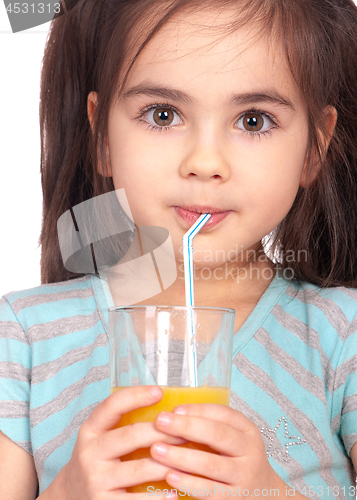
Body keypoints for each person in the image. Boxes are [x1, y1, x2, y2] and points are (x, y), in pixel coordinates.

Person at [1, 0, 357, 498]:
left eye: (254, 121)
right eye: (163, 114)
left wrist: (273, 494)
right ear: (102, 134)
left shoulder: (342, 338)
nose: (205, 161)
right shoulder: (24, 339)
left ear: (314, 147)